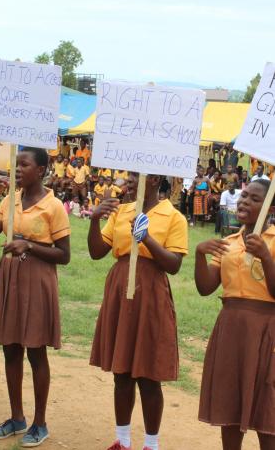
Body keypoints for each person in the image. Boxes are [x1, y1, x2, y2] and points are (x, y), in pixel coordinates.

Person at [88, 172, 188, 450]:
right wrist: (95, 218)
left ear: (154, 179)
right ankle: (122, 441)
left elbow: (174, 265)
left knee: (148, 374)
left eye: (134, 175)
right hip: (120, 286)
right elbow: (97, 251)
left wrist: (146, 239)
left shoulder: (174, 217)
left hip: (151, 292)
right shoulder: (121, 211)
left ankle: (151, 444)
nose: (127, 179)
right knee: (121, 372)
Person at [0, 147, 70, 447]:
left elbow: (64, 255)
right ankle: (17, 417)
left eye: (25, 165)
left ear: (41, 170)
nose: (18, 169)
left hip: (37, 280)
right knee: (11, 348)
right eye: (17, 164)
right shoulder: (10, 200)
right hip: (10, 279)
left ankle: (39, 422)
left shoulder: (53, 206)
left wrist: (28, 245)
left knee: (35, 350)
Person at [195, 179, 275, 450]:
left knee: (268, 407)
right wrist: (199, 255)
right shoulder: (228, 243)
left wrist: (265, 255)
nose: (243, 202)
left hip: (267, 329)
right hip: (231, 328)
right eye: (243, 196)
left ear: (269, 207)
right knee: (229, 404)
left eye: (254, 199)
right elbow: (206, 288)